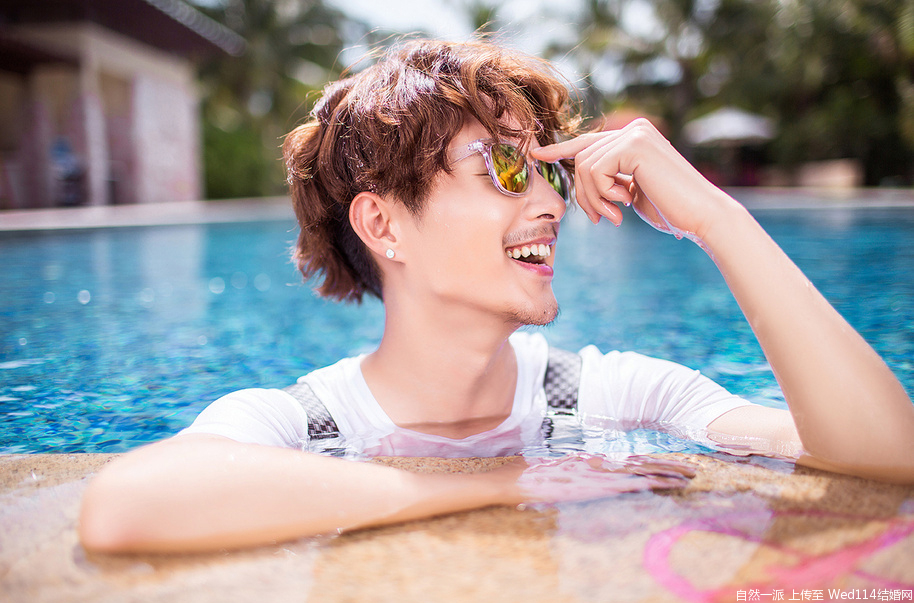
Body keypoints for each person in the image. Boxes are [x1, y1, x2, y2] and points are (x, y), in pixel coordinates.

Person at [79, 39, 914, 554]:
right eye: (505, 167)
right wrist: (502, 483)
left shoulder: (610, 393)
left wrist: (716, 220)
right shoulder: (303, 423)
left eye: (549, 170)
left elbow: (886, 456)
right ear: (382, 223)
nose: (551, 203)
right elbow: (124, 507)